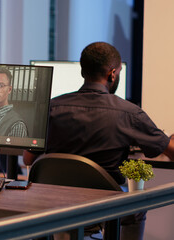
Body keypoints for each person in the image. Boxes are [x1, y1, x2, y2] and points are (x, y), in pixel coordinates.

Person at [23, 42, 174, 240]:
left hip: (55, 202)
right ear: (112, 74)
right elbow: (169, 150)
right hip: (104, 206)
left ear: (83, 72)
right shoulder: (129, 113)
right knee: (137, 208)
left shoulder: (50, 108)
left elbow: (27, 159)